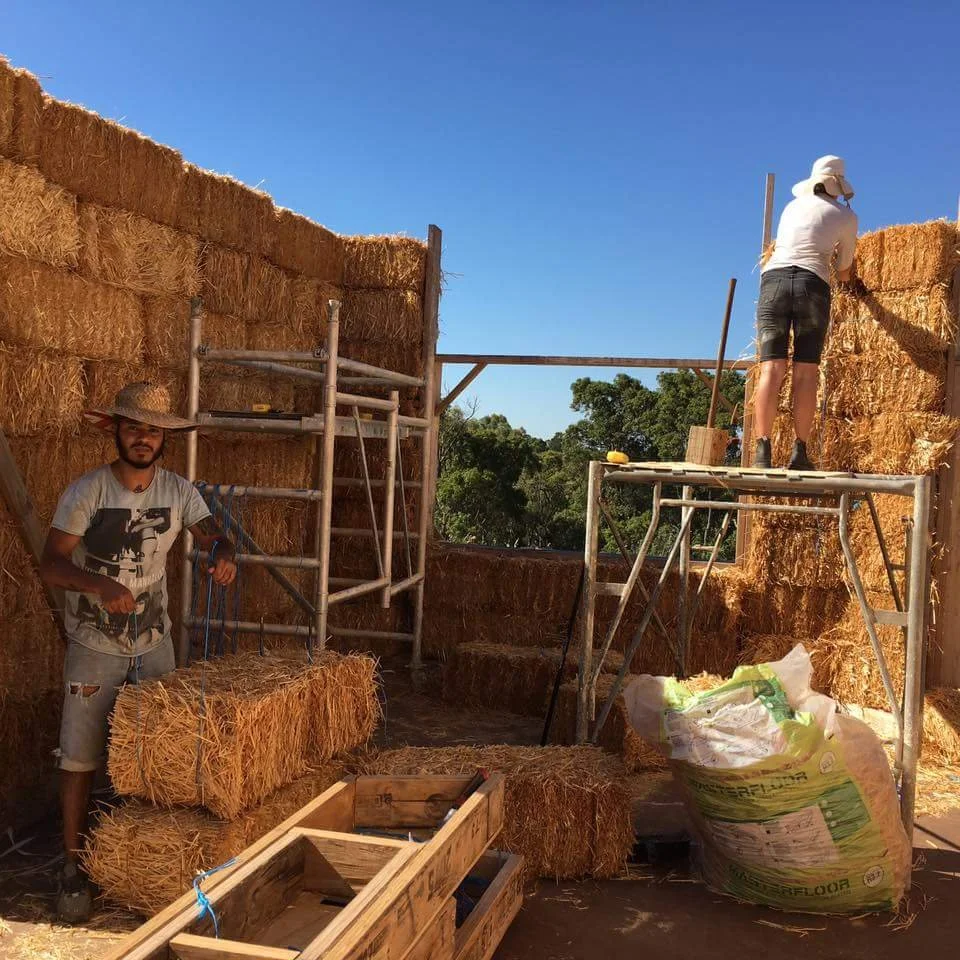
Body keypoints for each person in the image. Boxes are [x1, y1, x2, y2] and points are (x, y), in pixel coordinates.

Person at [39, 382, 238, 923]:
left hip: (154, 642)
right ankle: (73, 866)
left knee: (162, 751)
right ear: (116, 432)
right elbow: (50, 563)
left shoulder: (178, 492)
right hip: (93, 643)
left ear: (164, 437)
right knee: (79, 754)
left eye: (153, 430)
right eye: (134, 428)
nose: (144, 438)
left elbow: (213, 534)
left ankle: (152, 864)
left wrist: (222, 553)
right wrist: (99, 586)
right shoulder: (87, 492)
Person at [752, 155, 858, 470]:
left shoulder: (790, 207)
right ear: (837, 185)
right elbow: (843, 271)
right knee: (806, 371)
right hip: (812, 285)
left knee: (771, 369)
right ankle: (799, 452)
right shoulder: (845, 216)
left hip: (773, 282)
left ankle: (762, 450)